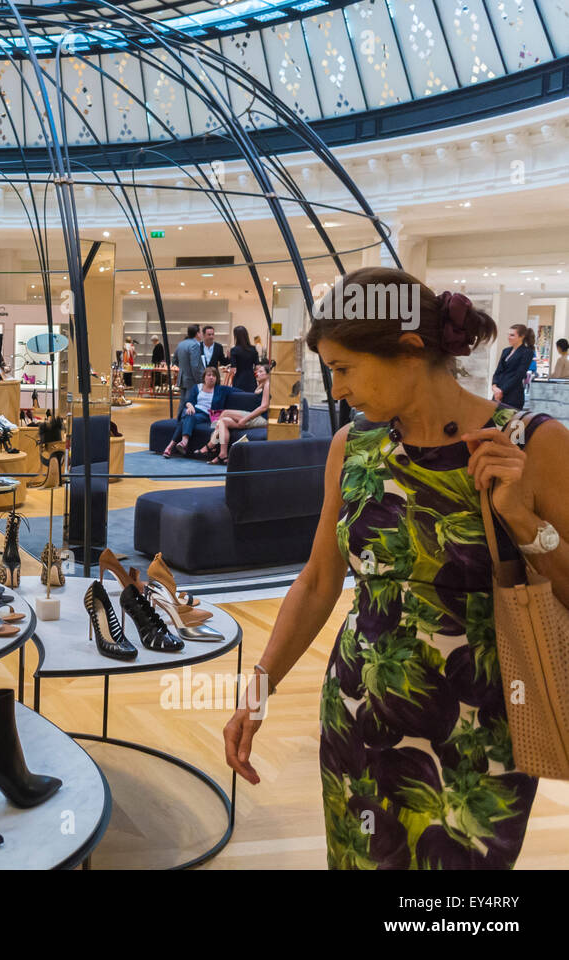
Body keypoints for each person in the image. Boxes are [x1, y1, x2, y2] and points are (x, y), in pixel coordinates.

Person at [223, 267, 569, 870]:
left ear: (410, 349)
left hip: (480, 737)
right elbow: (318, 581)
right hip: (357, 715)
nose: (337, 389)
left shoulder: (531, 444)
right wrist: (257, 691)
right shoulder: (354, 447)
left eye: (344, 369)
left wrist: (523, 524)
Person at [203, 362, 270, 464]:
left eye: (261, 372)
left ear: (268, 374)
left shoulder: (268, 384)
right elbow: (256, 392)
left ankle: (211, 444)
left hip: (263, 419)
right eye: (257, 371)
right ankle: (223, 454)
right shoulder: (264, 384)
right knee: (223, 422)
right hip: (258, 416)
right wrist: (261, 381)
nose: (257, 373)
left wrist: (245, 419)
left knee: (225, 413)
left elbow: (264, 407)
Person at [162, 366, 225, 457]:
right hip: (194, 410)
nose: (211, 377)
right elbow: (189, 401)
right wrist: (190, 405)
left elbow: (236, 391)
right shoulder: (197, 387)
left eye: (214, 376)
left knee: (186, 418)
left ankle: (171, 446)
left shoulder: (220, 389)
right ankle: (183, 443)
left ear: (217, 378)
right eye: (209, 375)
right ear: (204, 377)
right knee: (189, 415)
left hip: (206, 414)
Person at [491, 323, 536, 410]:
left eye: (512, 335)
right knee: (492, 422)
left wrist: (502, 391)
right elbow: (498, 371)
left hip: (513, 395)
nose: (508, 337)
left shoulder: (527, 352)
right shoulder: (505, 351)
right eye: (508, 335)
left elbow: (519, 375)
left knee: (507, 422)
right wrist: (494, 386)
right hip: (498, 393)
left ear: (521, 336)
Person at [173, 324, 205, 403]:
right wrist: (201, 379)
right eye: (201, 332)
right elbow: (195, 365)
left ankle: (180, 416)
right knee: (189, 403)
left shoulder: (181, 344)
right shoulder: (195, 345)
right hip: (192, 379)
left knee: (183, 403)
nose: (202, 334)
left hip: (182, 378)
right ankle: (185, 416)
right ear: (197, 334)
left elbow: (174, 361)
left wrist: (183, 369)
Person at [228, 324, 260, 393]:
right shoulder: (253, 349)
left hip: (239, 379)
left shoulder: (234, 350)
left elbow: (233, 370)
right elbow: (258, 367)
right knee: (250, 400)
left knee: (239, 400)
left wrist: (229, 358)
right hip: (251, 379)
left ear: (236, 336)